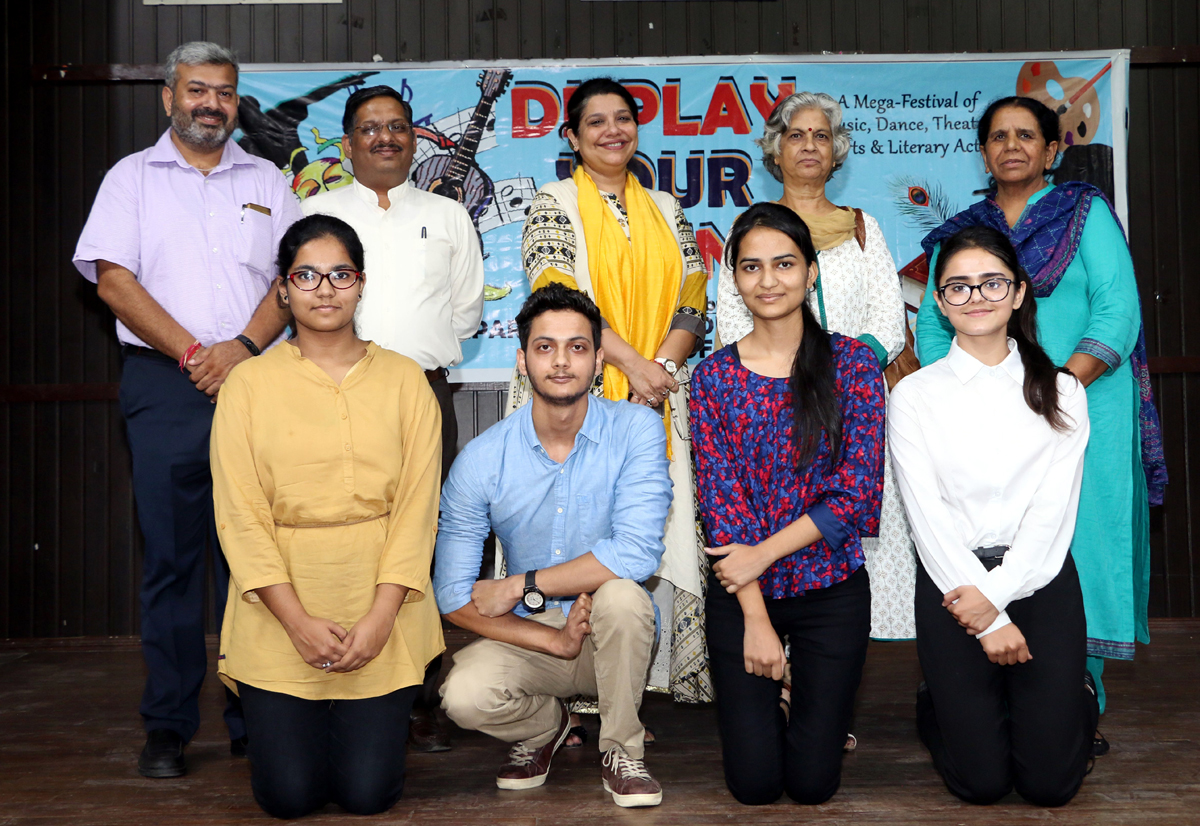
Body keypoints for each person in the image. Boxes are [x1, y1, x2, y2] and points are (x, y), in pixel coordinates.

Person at [72, 41, 302, 778]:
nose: (211, 103)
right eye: (197, 90)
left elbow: (294, 275)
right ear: (167, 98)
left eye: (225, 92)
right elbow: (113, 282)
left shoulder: (268, 178)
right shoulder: (130, 179)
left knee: (258, 560)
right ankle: (168, 726)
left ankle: (254, 715)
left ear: (238, 102)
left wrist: (238, 347)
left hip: (257, 379)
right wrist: (195, 355)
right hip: (165, 385)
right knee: (173, 562)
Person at [915, 95, 1166, 755]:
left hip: (1079, 407)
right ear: (984, 151)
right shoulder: (964, 230)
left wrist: (1054, 394)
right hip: (978, 421)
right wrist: (975, 399)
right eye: (999, 136)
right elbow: (934, 327)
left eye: (1027, 135)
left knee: (1072, 548)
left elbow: (1117, 309)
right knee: (982, 537)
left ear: (1052, 150)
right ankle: (982, 692)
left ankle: (1079, 697)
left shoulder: (1085, 214)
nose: (1012, 146)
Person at [210, 214, 444, 818]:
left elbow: (419, 509)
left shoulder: (405, 380)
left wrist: (380, 616)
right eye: (306, 275)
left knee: (368, 796)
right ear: (282, 289)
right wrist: (296, 622)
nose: (325, 289)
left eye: (341, 274)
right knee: (287, 798)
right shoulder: (247, 385)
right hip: (278, 608)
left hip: (383, 602)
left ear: (361, 284)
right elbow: (240, 515)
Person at [434, 283, 671, 808]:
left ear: (599, 359)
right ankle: (545, 728)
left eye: (577, 347)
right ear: (522, 361)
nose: (561, 362)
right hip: (531, 635)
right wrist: (554, 641)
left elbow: (636, 554)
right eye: (545, 347)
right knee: (463, 697)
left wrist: (522, 584)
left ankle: (621, 750)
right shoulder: (481, 458)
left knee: (625, 594)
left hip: (613, 634)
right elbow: (451, 593)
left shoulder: (636, 430)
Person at [302, 84, 484, 751]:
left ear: (414, 139)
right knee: (334, 533)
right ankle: (328, 678)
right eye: (370, 128)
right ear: (347, 143)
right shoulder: (316, 211)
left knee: (420, 541)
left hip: (421, 396)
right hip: (329, 396)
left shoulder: (449, 215)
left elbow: (465, 311)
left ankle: (417, 695)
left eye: (398, 127)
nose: (385, 137)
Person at [519, 77, 710, 709]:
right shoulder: (552, 204)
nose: (612, 131)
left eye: (623, 118)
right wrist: (631, 366)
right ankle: (569, 695)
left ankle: (629, 692)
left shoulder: (665, 207)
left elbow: (692, 297)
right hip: (576, 401)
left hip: (659, 395)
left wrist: (658, 374)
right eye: (595, 122)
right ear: (571, 137)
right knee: (579, 535)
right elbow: (559, 301)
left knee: (647, 534)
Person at [890, 225, 1098, 806]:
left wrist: (1000, 598)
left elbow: (1052, 515)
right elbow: (926, 520)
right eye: (958, 286)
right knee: (980, 785)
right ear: (938, 301)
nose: (976, 296)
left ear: (1019, 293)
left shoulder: (1061, 391)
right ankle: (940, 700)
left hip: (1040, 577)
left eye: (991, 283)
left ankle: (1069, 692)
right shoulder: (915, 395)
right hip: (951, 585)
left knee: (1050, 788)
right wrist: (985, 617)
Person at [692, 203, 884, 806]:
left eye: (784, 264)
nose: (768, 280)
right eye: (751, 267)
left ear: (811, 273)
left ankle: (812, 705)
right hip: (743, 598)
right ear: (734, 277)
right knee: (753, 786)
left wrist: (761, 555)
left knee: (811, 785)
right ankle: (775, 697)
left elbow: (856, 493)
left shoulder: (851, 362)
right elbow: (720, 506)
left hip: (830, 588)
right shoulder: (713, 376)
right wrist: (754, 616)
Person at [716, 91, 915, 645]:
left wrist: (832, 379)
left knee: (844, 540)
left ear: (837, 153)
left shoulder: (861, 228)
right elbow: (732, 328)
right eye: (796, 135)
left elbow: (889, 323)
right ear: (774, 151)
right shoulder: (747, 231)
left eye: (821, 136)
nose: (809, 145)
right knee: (772, 537)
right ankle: (781, 680)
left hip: (849, 415)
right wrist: (779, 381)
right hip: (768, 422)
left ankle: (832, 686)